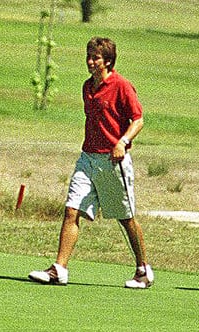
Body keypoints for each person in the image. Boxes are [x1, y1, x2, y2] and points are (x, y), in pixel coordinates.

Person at [28, 37, 153, 288]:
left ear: (108, 61)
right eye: (88, 56)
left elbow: (137, 120)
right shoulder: (87, 87)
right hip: (87, 158)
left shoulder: (121, 86)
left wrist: (123, 142)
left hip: (113, 161)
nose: (90, 62)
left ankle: (143, 270)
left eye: (95, 58)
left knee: (125, 218)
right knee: (71, 210)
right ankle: (59, 269)